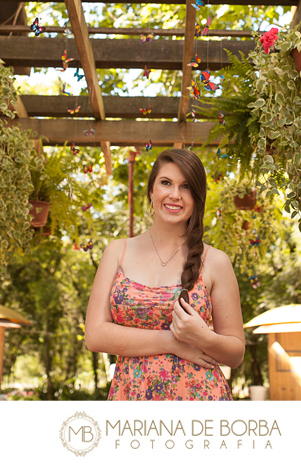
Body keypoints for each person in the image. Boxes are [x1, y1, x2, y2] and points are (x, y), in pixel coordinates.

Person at [85, 148, 245, 400]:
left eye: (186, 187)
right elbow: (94, 336)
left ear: (197, 198)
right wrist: (173, 342)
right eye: (166, 183)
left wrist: (203, 337)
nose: (174, 195)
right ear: (151, 190)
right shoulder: (117, 252)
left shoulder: (215, 261)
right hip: (132, 399)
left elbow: (235, 354)